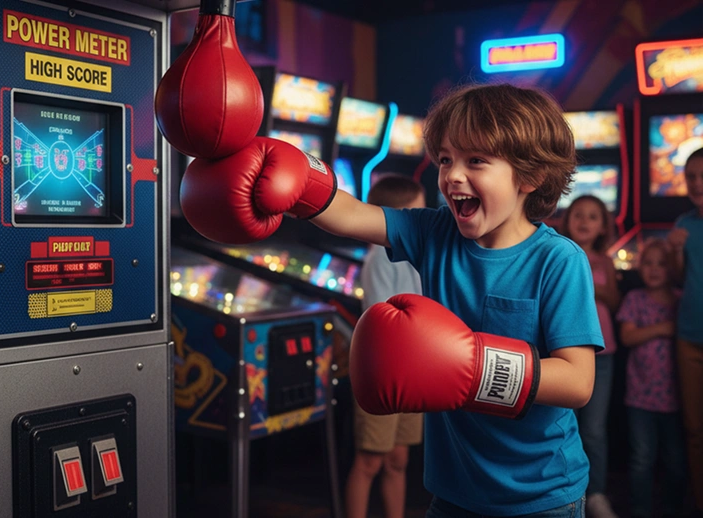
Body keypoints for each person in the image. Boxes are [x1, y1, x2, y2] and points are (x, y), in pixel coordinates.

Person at [180, 82, 604, 516]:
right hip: (454, 490)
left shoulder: (558, 260)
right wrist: (298, 173)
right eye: (445, 159)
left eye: (476, 160)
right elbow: (350, 216)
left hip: (542, 495)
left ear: (530, 176)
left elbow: (577, 382)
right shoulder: (436, 233)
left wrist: (469, 366)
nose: (452, 175)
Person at [345, 174, 425, 518]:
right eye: (419, 212)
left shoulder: (418, 251)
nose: (427, 218)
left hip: (414, 368)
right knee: (370, 460)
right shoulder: (380, 255)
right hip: (383, 369)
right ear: (398, 215)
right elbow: (384, 317)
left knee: (398, 459)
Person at [560, 195, 620, 518]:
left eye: (593, 216)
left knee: (594, 430)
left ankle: (595, 493)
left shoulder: (604, 261)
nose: (584, 221)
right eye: (578, 215)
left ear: (602, 226)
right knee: (562, 423)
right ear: (567, 219)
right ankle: (566, 491)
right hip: (564, 352)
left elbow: (613, 300)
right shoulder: (559, 254)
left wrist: (585, 277)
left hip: (603, 355)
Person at [616, 239, 686, 518]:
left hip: (677, 398)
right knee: (641, 459)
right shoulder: (635, 299)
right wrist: (661, 328)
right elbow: (627, 336)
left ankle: (674, 508)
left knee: (676, 460)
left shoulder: (682, 300)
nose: (654, 269)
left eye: (661, 263)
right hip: (640, 397)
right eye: (648, 263)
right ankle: (640, 510)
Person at [668, 147, 703, 517]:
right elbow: (678, 280)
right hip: (688, 336)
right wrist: (675, 253)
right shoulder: (683, 224)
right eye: (691, 176)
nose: (696, 183)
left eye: (702, 175)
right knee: (693, 431)